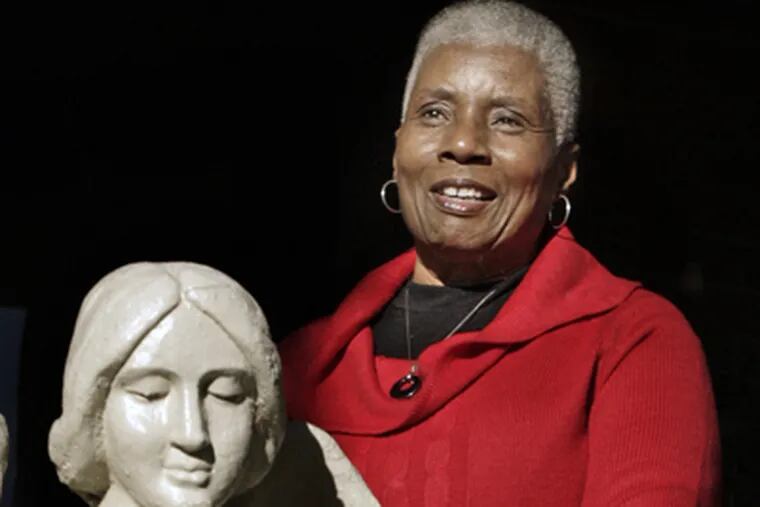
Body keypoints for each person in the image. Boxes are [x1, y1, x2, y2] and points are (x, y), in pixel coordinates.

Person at [279, 1, 721, 505]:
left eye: (508, 120)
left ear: (564, 169)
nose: (463, 143)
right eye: (434, 113)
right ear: (398, 149)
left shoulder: (630, 340)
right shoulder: (297, 364)